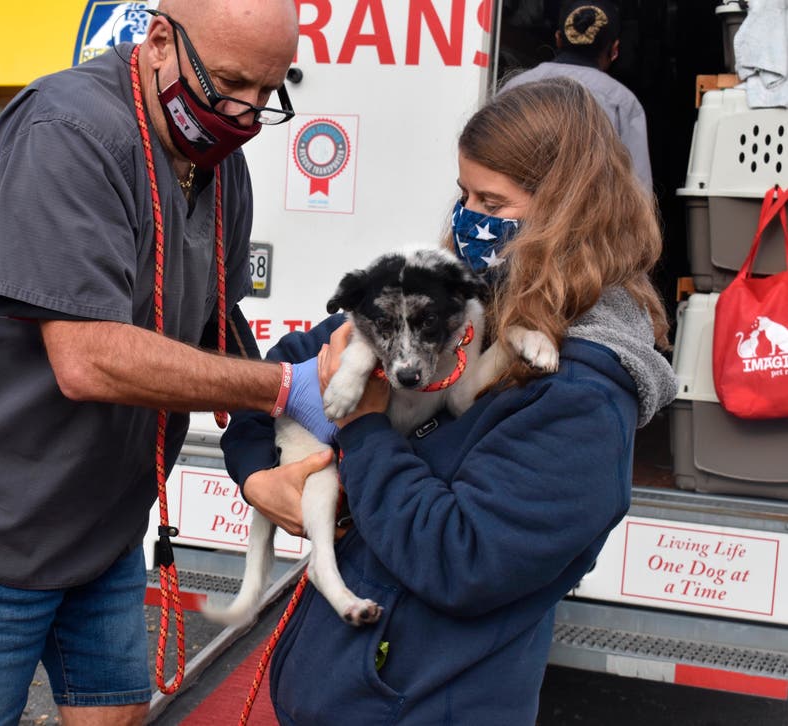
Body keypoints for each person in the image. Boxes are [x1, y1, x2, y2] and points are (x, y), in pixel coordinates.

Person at [0, 2, 335, 724]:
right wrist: (284, 387)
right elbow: (88, 359)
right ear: (161, 41)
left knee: (116, 717)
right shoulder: (69, 130)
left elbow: (215, 332)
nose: (245, 112)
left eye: (267, 92)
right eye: (230, 83)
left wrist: (267, 460)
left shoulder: (219, 167)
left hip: (101, 525)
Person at [220, 77, 678, 725]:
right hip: (346, 692)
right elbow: (285, 368)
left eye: (491, 200)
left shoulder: (585, 399)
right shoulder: (460, 296)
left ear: (565, 214)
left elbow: (463, 562)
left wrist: (366, 421)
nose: (466, 217)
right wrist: (257, 476)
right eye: (463, 193)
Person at [502, 0, 653, 192]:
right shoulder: (621, 101)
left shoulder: (514, 87)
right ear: (614, 50)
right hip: (589, 221)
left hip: (520, 220)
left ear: (557, 39)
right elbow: (638, 190)